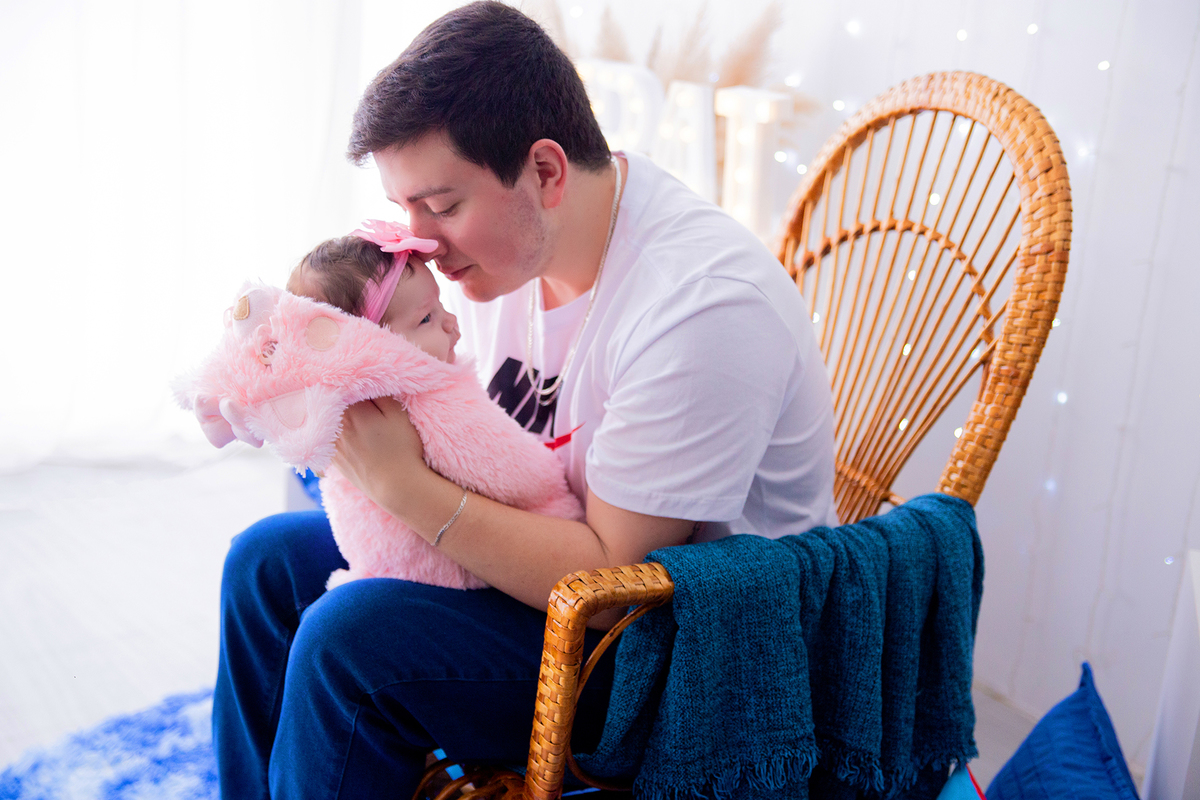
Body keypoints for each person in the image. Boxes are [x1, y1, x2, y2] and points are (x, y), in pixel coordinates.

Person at [213, 2, 838, 798]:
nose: (422, 244)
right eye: (406, 211)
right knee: (265, 561)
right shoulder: (505, 256)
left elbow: (609, 589)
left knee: (348, 640)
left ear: (545, 172)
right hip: (546, 564)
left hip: (673, 648)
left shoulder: (701, 307)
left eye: (442, 207)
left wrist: (402, 488)